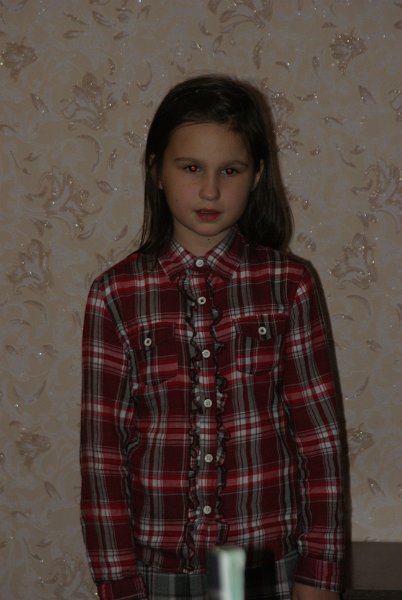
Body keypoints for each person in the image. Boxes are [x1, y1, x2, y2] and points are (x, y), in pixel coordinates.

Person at [80, 74, 345, 600]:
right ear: (156, 170)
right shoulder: (116, 294)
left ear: (257, 174)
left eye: (230, 170)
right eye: (191, 168)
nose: (209, 190)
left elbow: (319, 440)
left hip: (252, 563)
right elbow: (102, 454)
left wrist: (320, 571)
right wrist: (117, 580)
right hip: (156, 566)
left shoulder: (288, 285)